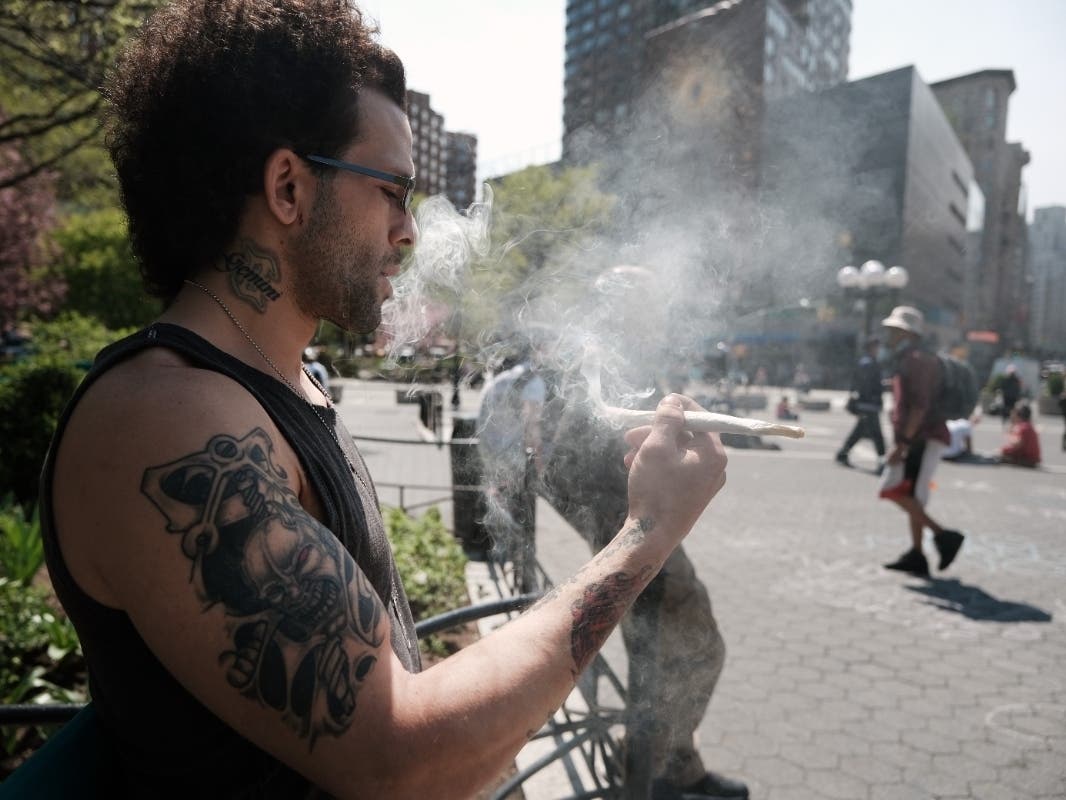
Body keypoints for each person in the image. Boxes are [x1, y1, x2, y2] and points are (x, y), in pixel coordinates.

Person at [37, 4, 729, 798]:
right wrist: (646, 533)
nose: (409, 232)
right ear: (289, 187)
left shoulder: (290, 384)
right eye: (394, 191)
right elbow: (394, 757)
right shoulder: (164, 420)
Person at [534, 265, 748, 800]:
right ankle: (654, 773)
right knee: (690, 647)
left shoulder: (618, 357)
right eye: (650, 304)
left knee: (675, 649)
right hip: (634, 534)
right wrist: (624, 526)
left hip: (638, 530)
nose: (660, 316)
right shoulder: (598, 361)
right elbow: (560, 465)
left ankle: (662, 761)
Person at [877, 306, 966, 578]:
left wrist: (902, 443)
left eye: (893, 330)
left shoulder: (917, 360)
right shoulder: (912, 358)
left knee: (892, 490)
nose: (888, 335)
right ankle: (917, 555)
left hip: (922, 438)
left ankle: (945, 537)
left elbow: (919, 406)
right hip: (920, 437)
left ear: (907, 333)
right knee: (913, 497)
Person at [476, 350, 546, 592]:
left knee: (502, 512)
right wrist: (540, 465)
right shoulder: (534, 383)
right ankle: (524, 584)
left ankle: (507, 566)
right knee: (520, 516)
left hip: (491, 450)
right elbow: (532, 427)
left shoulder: (504, 378)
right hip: (511, 457)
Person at [835, 336, 886, 471]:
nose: (879, 349)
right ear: (870, 348)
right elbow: (866, 385)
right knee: (877, 433)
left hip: (867, 404)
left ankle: (843, 453)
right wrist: (875, 396)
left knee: (859, 431)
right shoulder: (868, 364)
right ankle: (882, 461)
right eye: (877, 347)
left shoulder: (868, 363)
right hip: (869, 404)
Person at [998, 402, 1041, 467]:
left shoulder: (1022, 427)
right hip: (1031, 458)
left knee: (998, 457)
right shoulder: (1028, 426)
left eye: (1012, 414)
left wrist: (1003, 450)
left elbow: (1017, 444)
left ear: (1018, 415)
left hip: (1027, 459)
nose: (1011, 417)